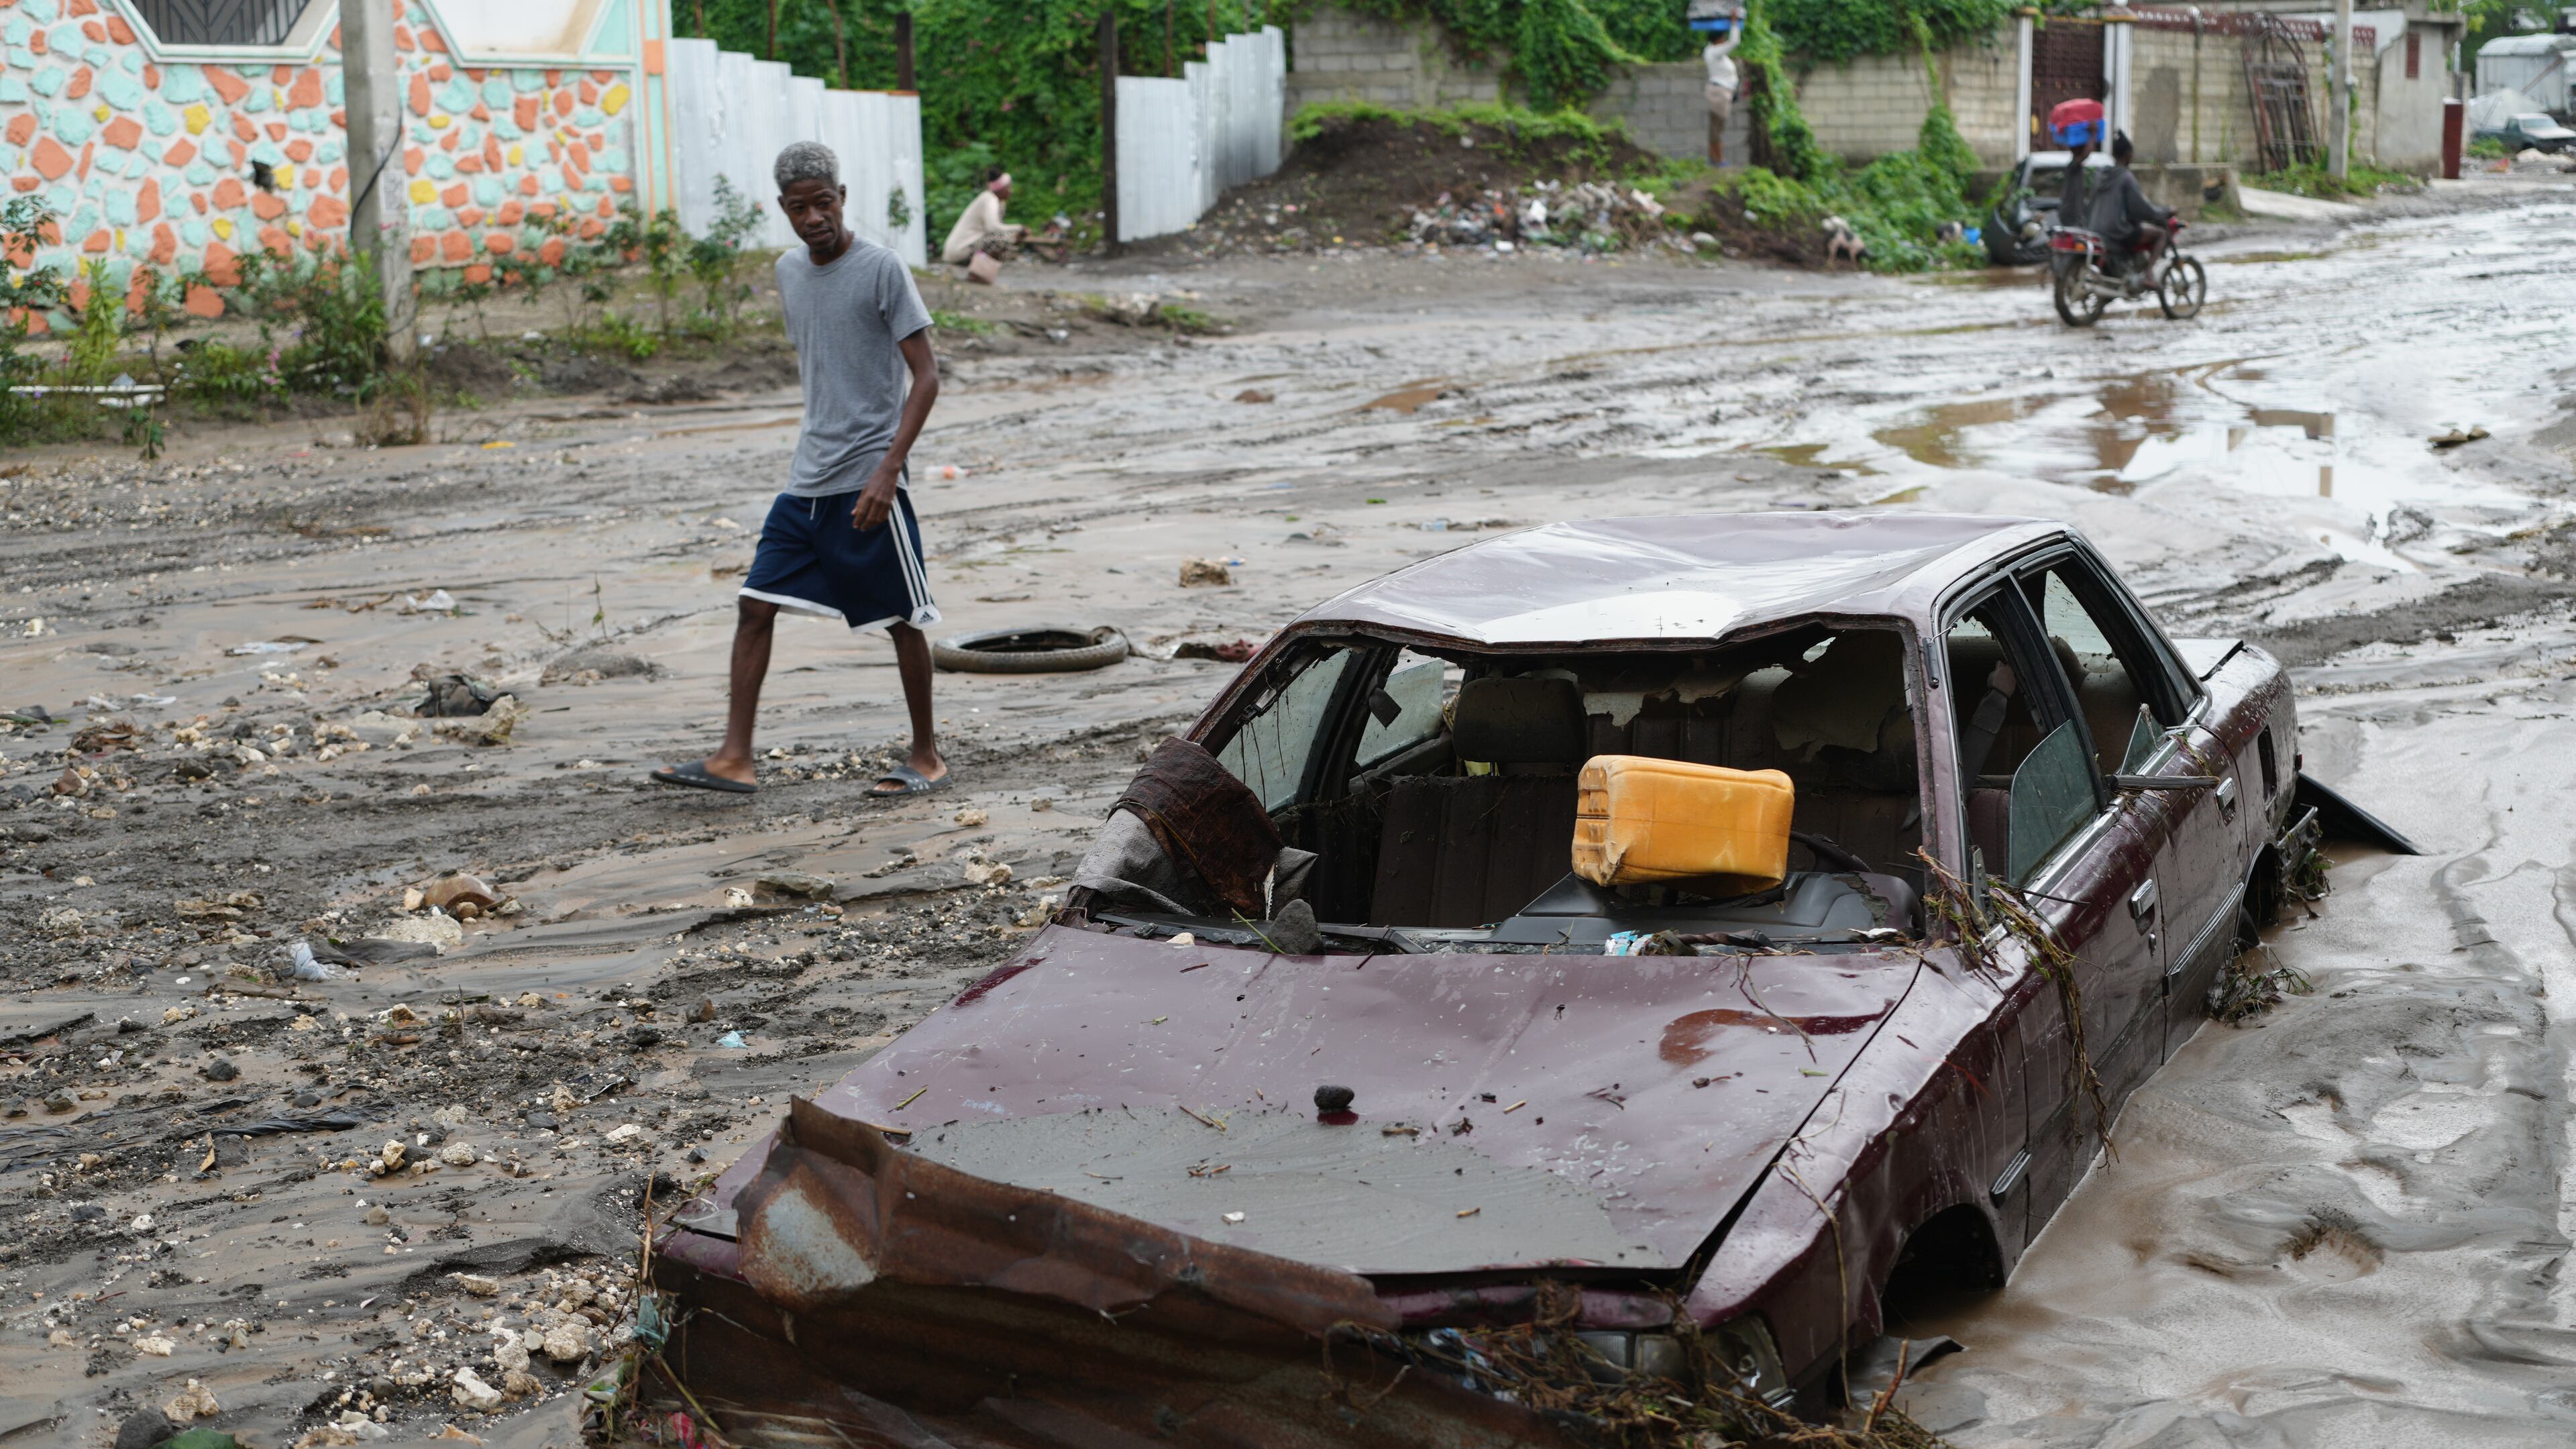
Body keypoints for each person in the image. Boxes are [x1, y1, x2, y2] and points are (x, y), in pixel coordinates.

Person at [653, 141, 949, 799]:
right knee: (755, 605)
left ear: (843, 199)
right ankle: (734, 757)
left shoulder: (882, 270)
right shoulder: (789, 273)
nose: (813, 217)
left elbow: (926, 378)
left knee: (903, 620)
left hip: (869, 483)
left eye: (823, 203)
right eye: (799, 208)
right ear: (783, 210)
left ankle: (926, 756)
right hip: (807, 485)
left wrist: (887, 471)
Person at [2088, 131, 2178, 280]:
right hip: (2118, 230)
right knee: (2161, 234)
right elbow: (2142, 208)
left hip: (2095, 228)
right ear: (2129, 155)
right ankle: (2149, 274)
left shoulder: (2102, 175)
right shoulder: (2126, 178)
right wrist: (2165, 211)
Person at [941, 167, 1026, 266]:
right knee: (1008, 239)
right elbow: (992, 228)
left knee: (1005, 238)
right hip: (960, 251)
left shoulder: (996, 201)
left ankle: (982, 270)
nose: (1011, 191)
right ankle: (980, 271)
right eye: (1008, 187)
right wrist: (1019, 228)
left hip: (959, 250)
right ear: (1000, 188)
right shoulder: (990, 199)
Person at [1703, 27, 1739, 166]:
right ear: (1718, 39)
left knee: (1716, 126)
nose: (1725, 40)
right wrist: (1734, 23)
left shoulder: (1713, 52)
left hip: (1722, 93)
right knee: (1717, 127)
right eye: (1723, 37)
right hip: (1719, 94)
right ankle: (1718, 159)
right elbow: (1735, 42)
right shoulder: (1714, 51)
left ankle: (1714, 158)